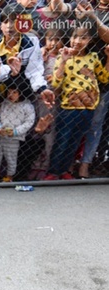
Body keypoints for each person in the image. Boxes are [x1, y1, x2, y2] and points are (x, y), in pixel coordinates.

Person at [45, 23, 109, 180]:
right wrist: (63, 62)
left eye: (83, 37)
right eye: (75, 36)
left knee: (75, 141)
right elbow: (56, 83)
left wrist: (108, 57)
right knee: (63, 139)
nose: (78, 41)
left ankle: (65, 169)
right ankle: (53, 171)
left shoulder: (93, 58)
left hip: (88, 108)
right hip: (69, 108)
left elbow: (104, 77)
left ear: (90, 41)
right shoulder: (64, 57)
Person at [0, 78, 35, 182]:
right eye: (9, 92)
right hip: (0, 135)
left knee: (11, 157)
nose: (11, 95)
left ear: (22, 92)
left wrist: (15, 131)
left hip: (13, 137)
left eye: (14, 92)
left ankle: (9, 176)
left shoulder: (27, 106)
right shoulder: (5, 103)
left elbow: (29, 122)